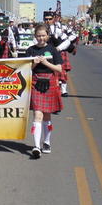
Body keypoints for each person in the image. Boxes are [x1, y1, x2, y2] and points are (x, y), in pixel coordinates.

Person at [25, 23, 63, 159]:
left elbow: (59, 69)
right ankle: (36, 146)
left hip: (50, 82)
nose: (41, 38)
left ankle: (46, 143)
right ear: (35, 36)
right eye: (38, 36)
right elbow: (27, 69)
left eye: (43, 35)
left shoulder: (53, 50)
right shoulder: (30, 50)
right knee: (38, 115)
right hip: (36, 82)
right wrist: (34, 62)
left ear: (47, 36)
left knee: (47, 116)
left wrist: (46, 63)